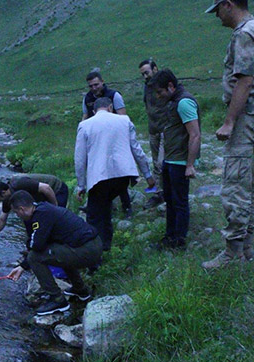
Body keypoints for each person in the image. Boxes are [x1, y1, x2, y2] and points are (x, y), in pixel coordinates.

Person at [202, 0, 254, 269]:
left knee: (236, 181)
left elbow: (244, 79)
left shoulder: (245, 33)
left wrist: (230, 122)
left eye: (218, 10)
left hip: (249, 114)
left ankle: (233, 253)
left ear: (228, 4)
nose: (217, 16)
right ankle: (246, 246)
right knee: (253, 181)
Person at [75, 97, 155, 251]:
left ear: (93, 111)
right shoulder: (124, 121)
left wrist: (81, 185)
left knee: (94, 215)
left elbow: (79, 159)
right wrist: (147, 174)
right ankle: (106, 246)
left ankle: (94, 254)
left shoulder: (85, 125)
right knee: (105, 208)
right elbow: (136, 149)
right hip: (123, 176)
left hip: (99, 178)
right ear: (110, 107)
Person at [5, 190, 102, 316]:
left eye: (17, 213)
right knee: (56, 250)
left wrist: (23, 265)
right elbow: (36, 241)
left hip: (87, 251)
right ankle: (80, 290)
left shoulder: (41, 216)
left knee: (35, 257)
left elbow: (37, 246)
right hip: (92, 245)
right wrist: (23, 265)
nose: (18, 216)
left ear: (22, 209)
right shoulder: (42, 209)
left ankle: (57, 300)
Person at [149, 69, 201, 249]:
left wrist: (190, 165)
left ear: (170, 86)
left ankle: (179, 241)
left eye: (160, 92)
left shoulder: (184, 102)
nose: (158, 96)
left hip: (180, 162)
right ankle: (169, 236)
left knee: (179, 202)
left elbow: (194, 135)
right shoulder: (174, 101)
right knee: (170, 201)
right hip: (170, 159)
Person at [81, 71, 131, 216]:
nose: (94, 88)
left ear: (102, 81)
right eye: (91, 86)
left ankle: (126, 206)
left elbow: (123, 117)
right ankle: (96, 204)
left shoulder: (114, 95)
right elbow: (85, 116)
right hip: (96, 140)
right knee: (94, 171)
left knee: (119, 171)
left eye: (96, 84)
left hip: (115, 139)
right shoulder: (87, 98)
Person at [0, 174, 69, 246]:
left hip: (56, 190)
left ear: (3, 192)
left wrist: (55, 207)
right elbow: (2, 219)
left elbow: (46, 188)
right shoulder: (8, 199)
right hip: (40, 198)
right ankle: (33, 248)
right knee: (28, 219)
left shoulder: (20, 184)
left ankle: (61, 245)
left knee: (54, 220)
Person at [139, 59, 168, 209]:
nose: (145, 76)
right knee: (156, 162)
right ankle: (159, 193)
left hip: (166, 129)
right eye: (143, 74)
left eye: (147, 73)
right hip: (153, 129)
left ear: (155, 69)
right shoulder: (147, 87)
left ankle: (165, 192)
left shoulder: (164, 84)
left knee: (161, 163)